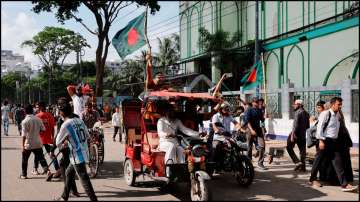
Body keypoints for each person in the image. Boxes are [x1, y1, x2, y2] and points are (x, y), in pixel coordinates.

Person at [308, 97, 357, 192]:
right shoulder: (325, 114)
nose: (340, 106)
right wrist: (321, 141)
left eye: (341, 104)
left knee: (338, 162)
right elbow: (320, 127)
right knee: (318, 161)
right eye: (338, 104)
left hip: (333, 142)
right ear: (332, 104)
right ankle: (312, 179)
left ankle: (344, 185)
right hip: (324, 141)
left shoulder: (338, 115)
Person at [55, 98, 97, 201]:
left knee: (84, 179)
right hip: (83, 152)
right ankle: (64, 196)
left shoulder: (66, 124)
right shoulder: (79, 120)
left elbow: (57, 142)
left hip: (77, 155)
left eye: (60, 112)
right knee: (69, 173)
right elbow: (87, 135)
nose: (59, 113)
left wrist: (65, 143)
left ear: (62, 113)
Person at [157, 103, 203, 175]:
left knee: (181, 150)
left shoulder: (177, 121)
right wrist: (167, 134)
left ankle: (181, 170)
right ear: (166, 112)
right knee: (171, 146)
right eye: (170, 111)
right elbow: (160, 133)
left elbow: (185, 130)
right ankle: (168, 169)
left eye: (173, 111)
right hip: (164, 142)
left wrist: (198, 134)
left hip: (175, 143)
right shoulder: (161, 121)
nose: (172, 113)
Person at [54, 98, 80, 197]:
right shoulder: (76, 117)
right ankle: (73, 190)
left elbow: (58, 135)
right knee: (69, 169)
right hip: (75, 147)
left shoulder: (63, 120)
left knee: (66, 167)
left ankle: (69, 190)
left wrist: (53, 149)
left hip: (69, 148)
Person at [20, 104, 51, 179]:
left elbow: (23, 135)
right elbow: (43, 130)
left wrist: (22, 146)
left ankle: (24, 174)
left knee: (25, 159)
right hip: (37, 142)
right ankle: (47, 171)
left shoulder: (25, 121)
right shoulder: (38, 119)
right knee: (41, 158)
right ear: (32, 110)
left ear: (25, 111)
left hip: (29, 143)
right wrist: (37, 132)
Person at [211, 101, 242, 172]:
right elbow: (214, 125)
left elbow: (235, 123)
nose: (227, 109)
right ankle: (215, 164)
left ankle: (235, 160)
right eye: (225, 108)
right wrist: (217, 130)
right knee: (216, 146)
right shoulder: (216, 116)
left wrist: (240, 128)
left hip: (228, 137)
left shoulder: (229, 116)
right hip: (218, 137)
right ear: (221, 109)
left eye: (227, 108)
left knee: (236, 145)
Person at [32, 101, 61, 178]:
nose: (36, 108)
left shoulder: (37, 116)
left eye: (37, 107)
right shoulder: (50, 115)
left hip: (39, 139)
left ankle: (35, 169)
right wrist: (52, 137)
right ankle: (57, 169)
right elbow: (52, 128)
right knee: (51, 154)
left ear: (41, 107)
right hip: (48, 139)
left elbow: (36, 129)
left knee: (37, 154)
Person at [242, 97, 267, 170]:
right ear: (252, 103)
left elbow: (262, 121)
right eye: (255, 102)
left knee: (262, 146)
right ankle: (248, 162)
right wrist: (252, 130)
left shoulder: (259, 110)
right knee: (249, 147)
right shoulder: (249, 110)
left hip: (258, 130)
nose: (256, 103)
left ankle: (260, 163)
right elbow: (247, 121)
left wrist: (264, 117)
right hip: (250, 130)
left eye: (257, 102)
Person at [286, 99, 310, 172]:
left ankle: (297, 162)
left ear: (299, 105)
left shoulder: (298, 112)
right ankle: (303, 168)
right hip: (302, 135)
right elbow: (307, 126)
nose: (294, 106)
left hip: (295, 134)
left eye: (295, 104)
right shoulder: (306, 113)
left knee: (289, 147)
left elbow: (295, 125)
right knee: (302, 151)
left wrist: (293, 134)